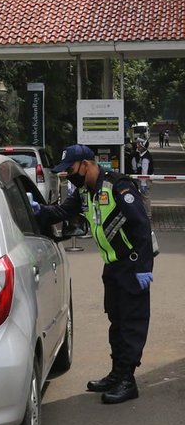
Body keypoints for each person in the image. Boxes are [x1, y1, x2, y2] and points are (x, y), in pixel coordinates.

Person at [31, 143, 153, 405]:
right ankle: (117, 373)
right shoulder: (86, 191)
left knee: (131, 323)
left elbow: (141, 226)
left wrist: (144, 267)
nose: (68, 175)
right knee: (117, 321)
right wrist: (39, 211)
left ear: (85, 164)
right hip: (112, 266)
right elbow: (63, 212)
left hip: (132, 266)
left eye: (71, 169)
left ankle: (128, 381)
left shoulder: (118, 186)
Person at [131, 138, 154, 222]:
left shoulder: (146, 157)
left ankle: (148, 215)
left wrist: (143, 183)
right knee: (141, 197)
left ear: (143, 147)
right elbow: (135, 165)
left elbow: (145, 171)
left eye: (139, 145)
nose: (137, 146)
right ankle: (143, 213)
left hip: (145, 179)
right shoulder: (139, 155)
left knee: (145, 197)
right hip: (140, 179)